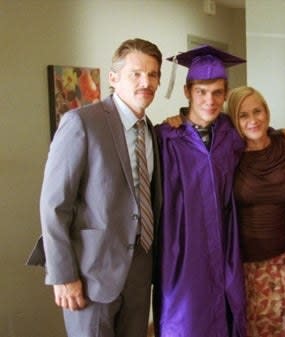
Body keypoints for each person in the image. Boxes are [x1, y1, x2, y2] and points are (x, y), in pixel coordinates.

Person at [30, 38, 163, 337]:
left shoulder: (152, 132)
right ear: (114, 78)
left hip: (140, 273)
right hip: (90, 275)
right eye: (137, 73)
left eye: (153, 74)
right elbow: (54, 205)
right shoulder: (81, 123)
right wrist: (63, 275)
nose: (146, 82)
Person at [153, 45, 247, 337]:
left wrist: (283, 134)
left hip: (225, 245)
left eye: (217, 92)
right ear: (187, 92)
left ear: (226, 93)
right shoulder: (166, 137)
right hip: (182, 251)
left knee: (229, 313)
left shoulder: (231, 135)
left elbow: (259, 138)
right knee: (186, 320)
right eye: (202, 92)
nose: (210, 100)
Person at [226, 86, 285, 336]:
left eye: (258, 111)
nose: (253, 120)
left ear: (267, 112)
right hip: (245, 265)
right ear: (234, 118)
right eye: (243, 115)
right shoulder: (228, 156)